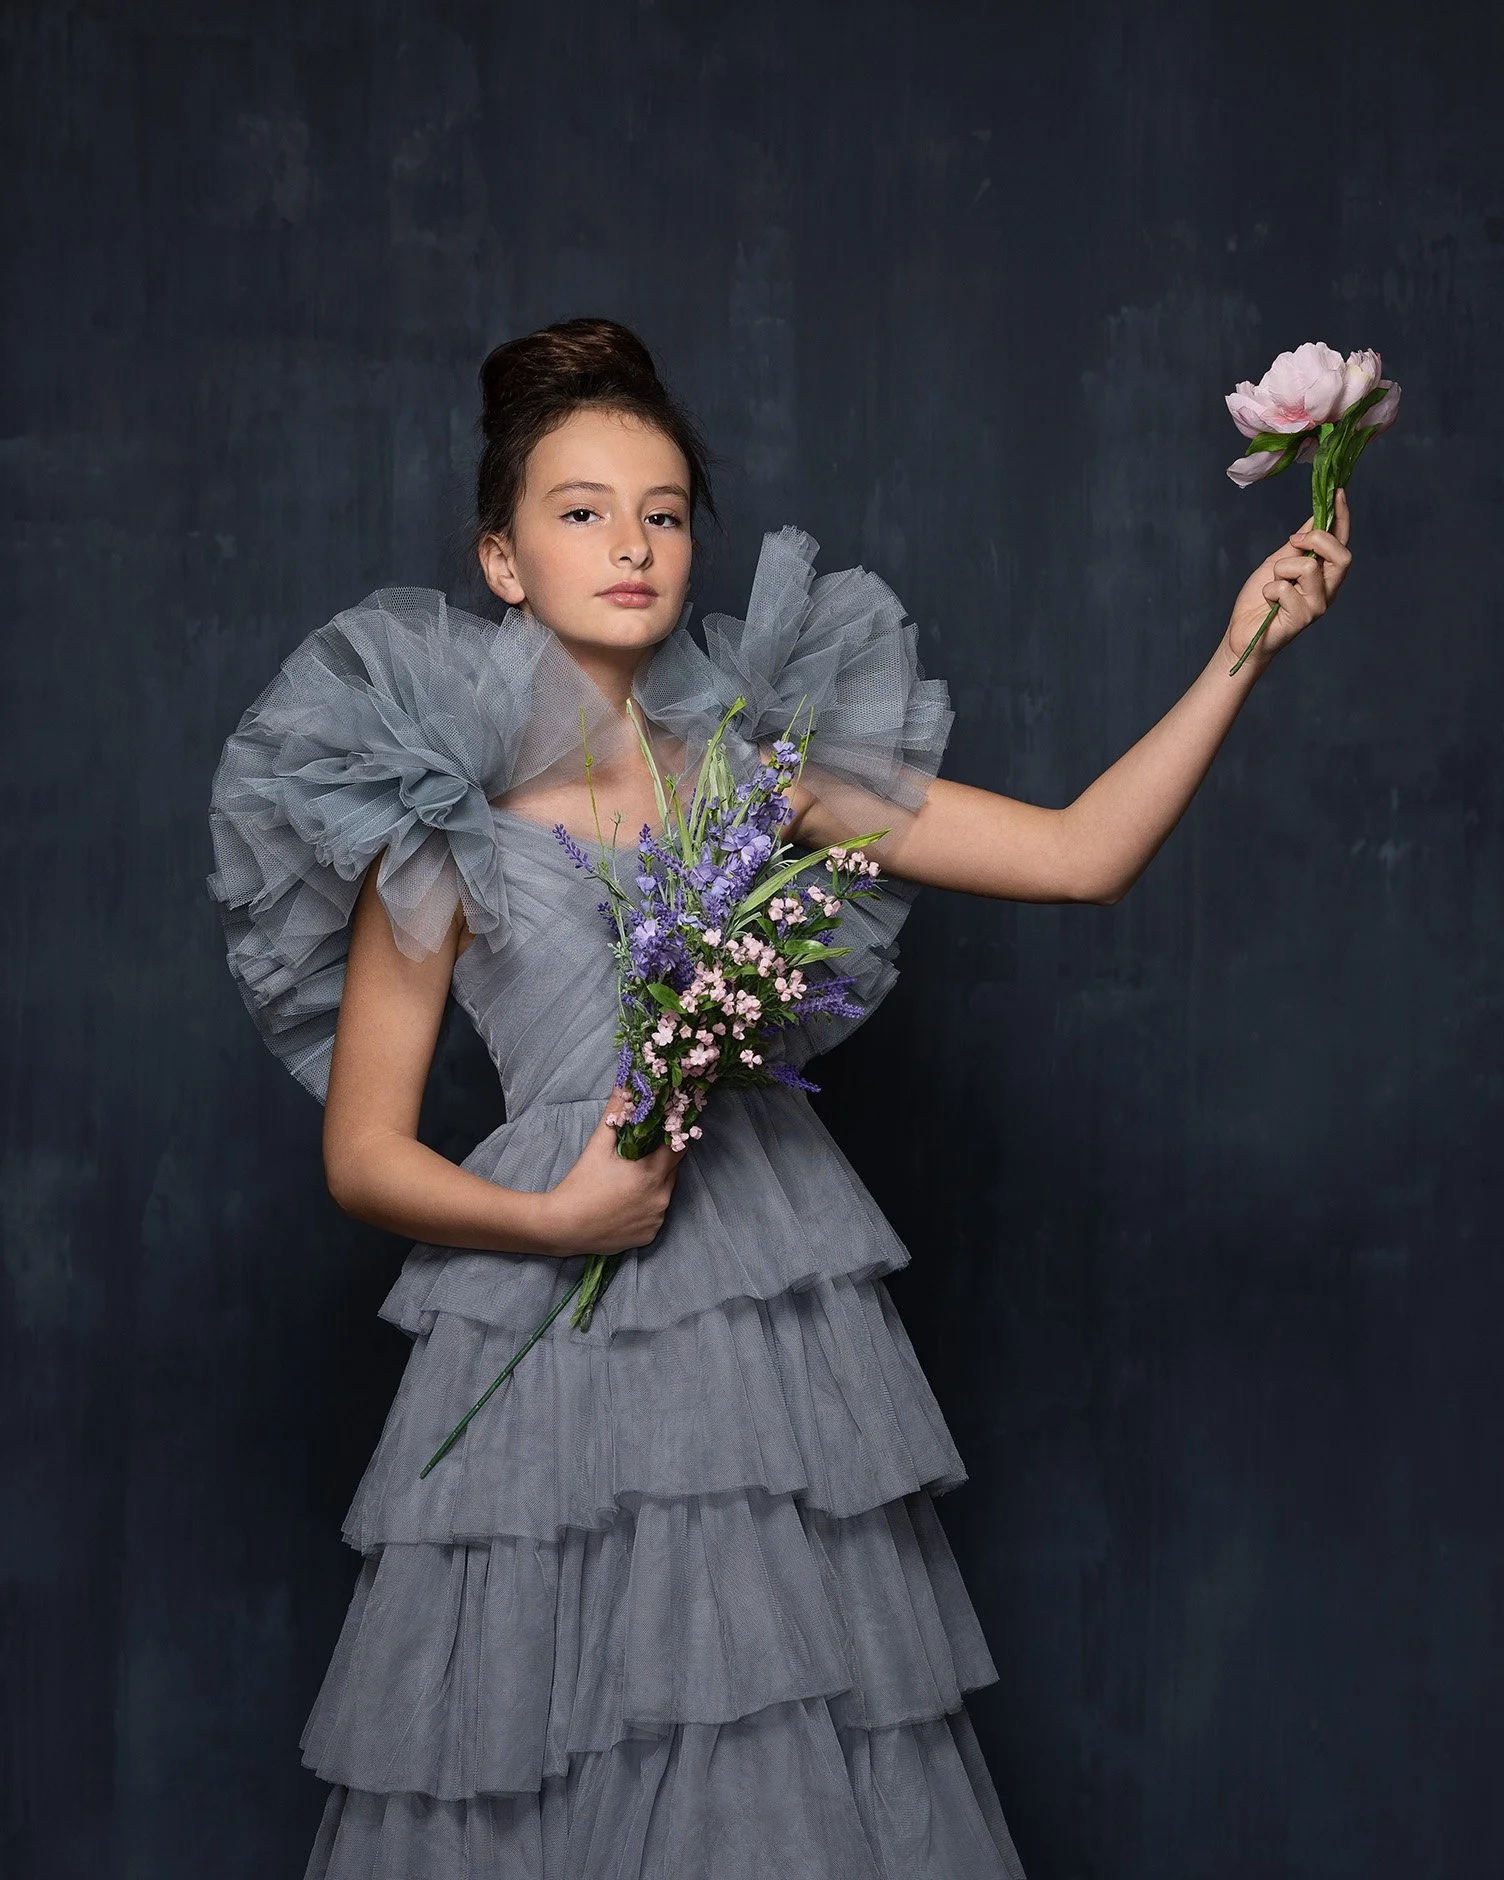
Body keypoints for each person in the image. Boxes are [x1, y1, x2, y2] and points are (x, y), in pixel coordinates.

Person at [207, 316, 1353, 1879]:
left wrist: (1242, 650)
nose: (632, 545)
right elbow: (362, 1154)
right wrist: (556, 1217)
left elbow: (1084, 855)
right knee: (521, 1764)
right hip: (546, 1333)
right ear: (502, 559)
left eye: (665, 513)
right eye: (582, 511)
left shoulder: (763, 779)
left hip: (763, 1307)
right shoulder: (441, 826)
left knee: (775, 1748)